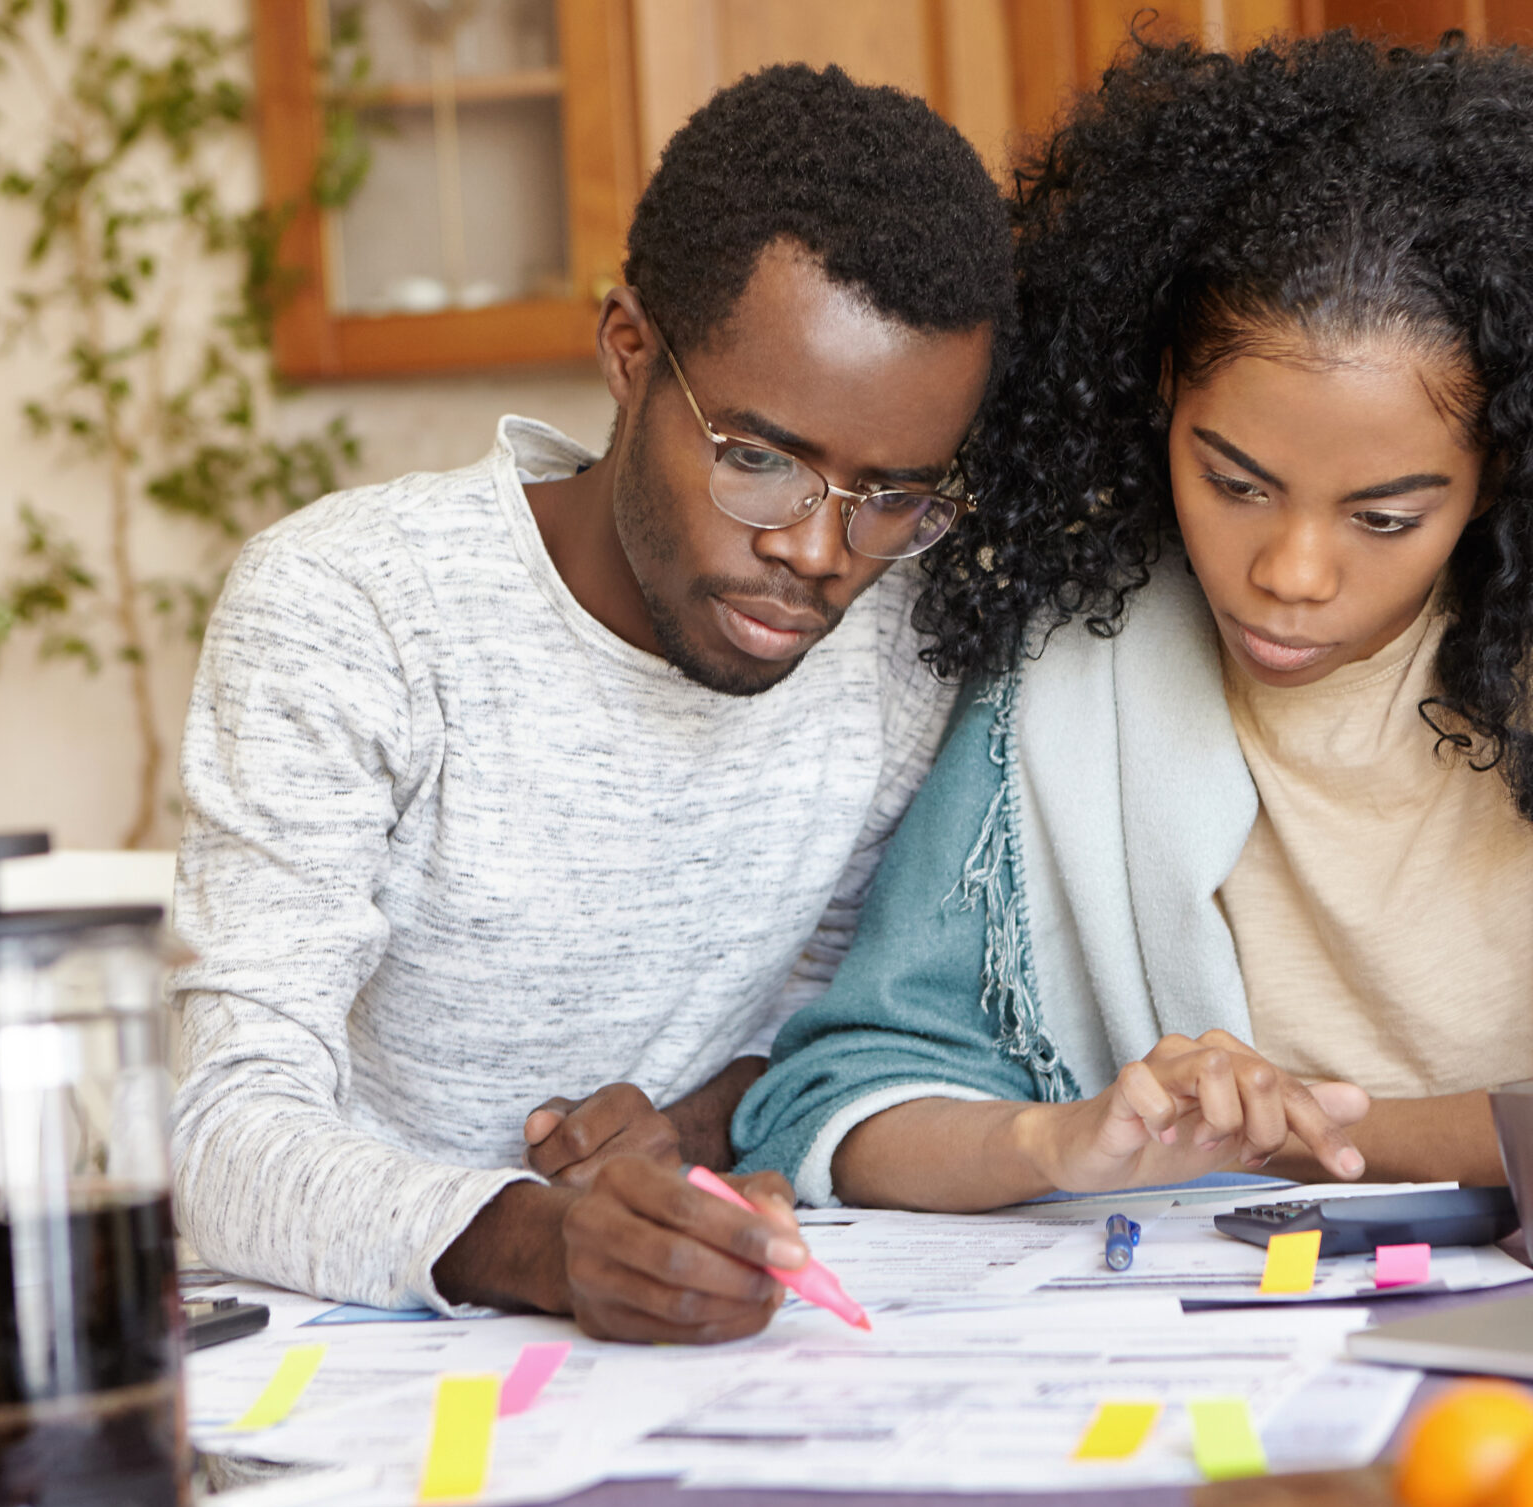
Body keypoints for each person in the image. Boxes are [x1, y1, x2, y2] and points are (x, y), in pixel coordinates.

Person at [734, 34, 1533, 1212]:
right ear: (1158, 400)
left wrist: (1287, 1134)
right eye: (1233, 484)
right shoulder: (1080, 662)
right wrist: (1065, 1141)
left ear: (1494, 475)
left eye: (1384, 517)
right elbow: (836, 1097)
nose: (1289, 573)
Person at [168, 65, 1013, 1338]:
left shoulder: (897, 640)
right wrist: (542, 1241)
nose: (820, 552)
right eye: (760, 461)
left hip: (682, 1345)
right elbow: (219, 1127)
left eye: (893, 493)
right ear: (628, 354)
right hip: (333, 1345)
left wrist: (686, 1134)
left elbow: (834, 1027)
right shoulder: (355, 607)